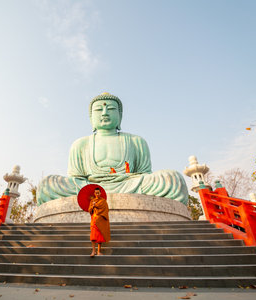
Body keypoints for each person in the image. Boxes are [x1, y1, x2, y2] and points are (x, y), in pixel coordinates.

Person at [36, 92, 189, 205]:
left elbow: (144, 174)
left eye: (110, 109)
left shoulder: (136, 141)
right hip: (89, 188)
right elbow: (75, 178)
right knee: (47, 184)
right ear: (91, 118)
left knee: (172, 178)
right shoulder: (80, 144)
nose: (104, 113)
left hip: (130, 185)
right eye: (98, 110)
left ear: (120, 115)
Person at [88, 187, 110, 257]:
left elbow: (105, 209)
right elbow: (90, 210)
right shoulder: (92, 201)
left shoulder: (103, 201)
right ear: (94, 193)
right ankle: (93, 251)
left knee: (100, 235)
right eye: (96, 193)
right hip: (94, 219)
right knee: (93, 236)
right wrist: (92, 206)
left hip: (100, 220)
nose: (97, 194)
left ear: (100, 193)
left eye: (98, 193)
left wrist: (96, 205)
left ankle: (98, 251)